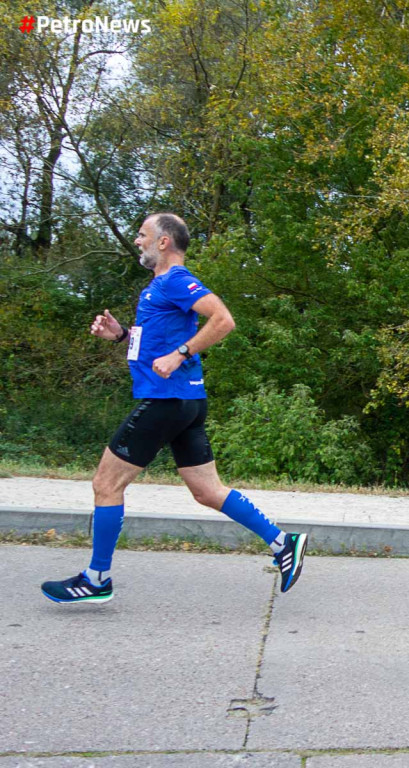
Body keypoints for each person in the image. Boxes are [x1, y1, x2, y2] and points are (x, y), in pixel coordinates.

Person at [41, 213, 307, 604]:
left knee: (106, 484)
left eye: (143, 235)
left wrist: (180, 354)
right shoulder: (158, 287)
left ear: (164, 242)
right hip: (186, 402)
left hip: (167, 401)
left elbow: (223, 319)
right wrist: (121, 335)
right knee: (207, 491)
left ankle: (97, 579)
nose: (137, 241)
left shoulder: (177, 281)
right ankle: (284, 542)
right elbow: (155, 339)